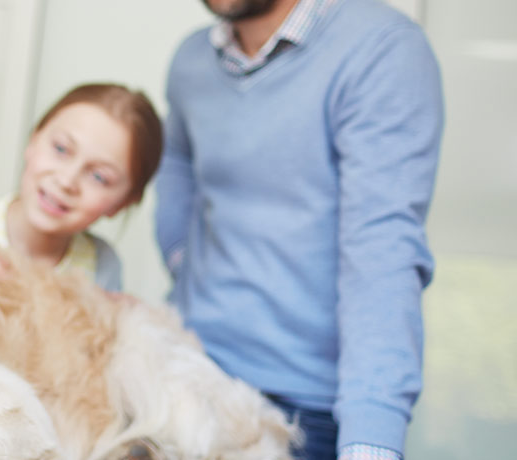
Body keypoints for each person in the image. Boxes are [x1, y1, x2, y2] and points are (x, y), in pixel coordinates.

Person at [154, 0, 443, 458]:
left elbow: (383, 252)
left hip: (306, 408)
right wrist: (182, 262)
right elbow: (176, 164)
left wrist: (372, 439)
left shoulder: (380, 48)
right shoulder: (192, 60)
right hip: (190, 368)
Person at [0, 83, 162, 293]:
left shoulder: (101, 267)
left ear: (123, 203)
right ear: (33, 139)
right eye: (60, 149)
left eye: (99, 177)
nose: (66, 181)